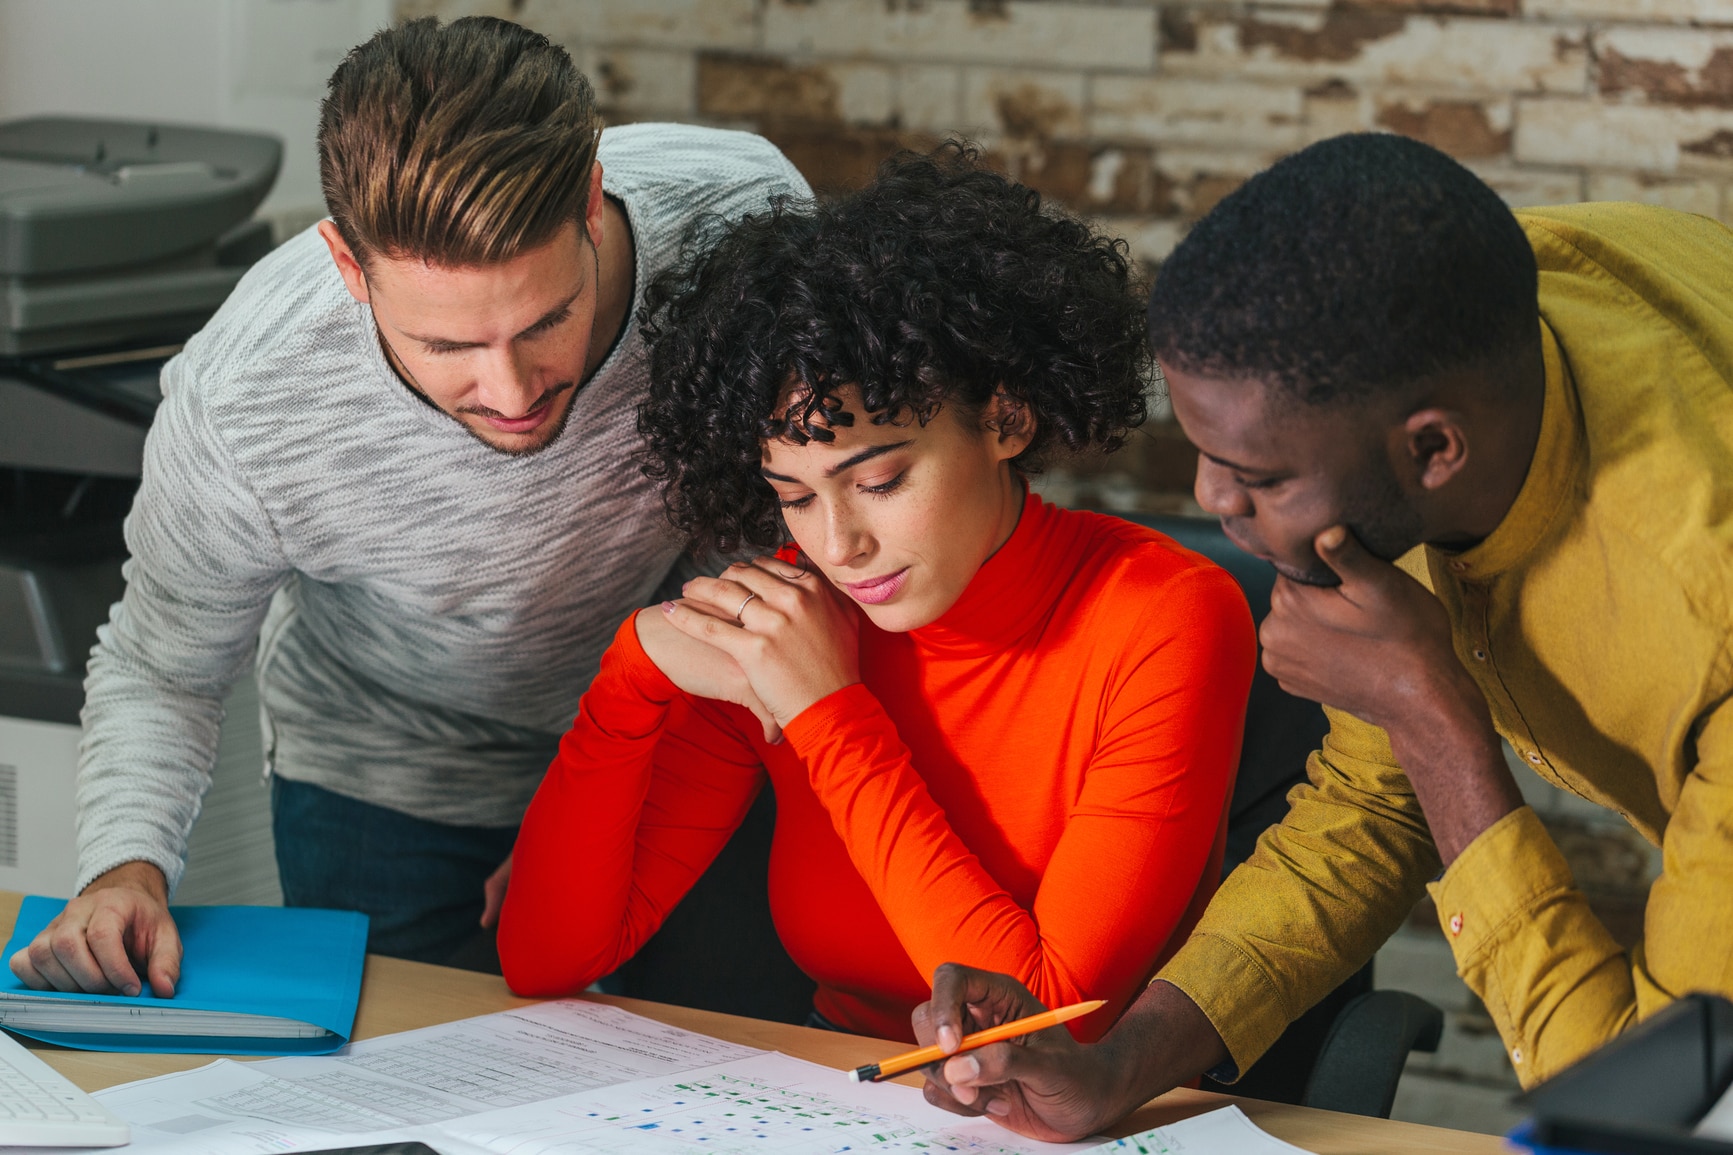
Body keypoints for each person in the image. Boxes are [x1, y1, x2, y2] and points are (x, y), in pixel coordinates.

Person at [908, 131, 1733, 1139]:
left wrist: (1432, 722)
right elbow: (1364, 808)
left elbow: (1656, 1119)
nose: (1212, 503)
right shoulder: (1432, 332)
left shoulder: (1705, 610)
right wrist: (1121, 1061)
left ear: (1434, 449)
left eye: (1256, 479)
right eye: (1207, 456)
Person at [8, 16, 810, 996]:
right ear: (349, 268)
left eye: (547, 319)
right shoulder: (250, 397)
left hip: (680, 743)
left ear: (591, 203)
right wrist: (123, 863)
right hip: (385, 785)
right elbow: (160, 663)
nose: (513, 393)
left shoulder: (745, 213)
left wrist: (592, 804)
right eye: (447, 348)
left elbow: (776, 519)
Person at [498, 146, 1257, 1043]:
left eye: (882, 480)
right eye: (793, 496)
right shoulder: (792, 615)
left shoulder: (1164, 614)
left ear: (1004, 420)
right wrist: (629, 675)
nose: (837, 546)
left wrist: (830, 714)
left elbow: (1038, 1020)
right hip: (832, 1104)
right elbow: (546, 957)